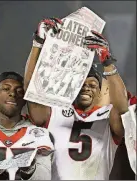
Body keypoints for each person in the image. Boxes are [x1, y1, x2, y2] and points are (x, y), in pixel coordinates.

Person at [23, 18, 128, 179]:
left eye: (93, 85)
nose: (86, 87)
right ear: (71, 86)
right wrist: (38, 43)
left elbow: (123, 111)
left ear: (100, 93)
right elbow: (32, 92)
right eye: (81, 83)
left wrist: (108, 63)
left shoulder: (107, 116)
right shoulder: (54, 111)